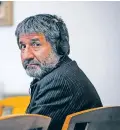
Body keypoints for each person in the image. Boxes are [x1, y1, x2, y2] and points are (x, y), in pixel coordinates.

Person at [15, 14, 102, 130]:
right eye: (23, 46)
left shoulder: (59, 82)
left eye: (36, 44)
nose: (26, 56)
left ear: (59, 46)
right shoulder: (64, 72)